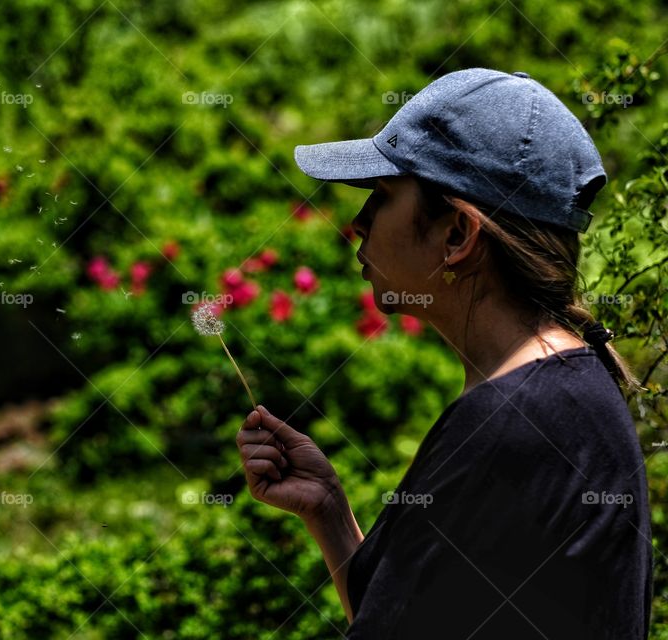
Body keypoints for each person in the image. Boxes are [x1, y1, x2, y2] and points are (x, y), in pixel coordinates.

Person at [236, 68, 653, 639]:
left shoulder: (515, 423)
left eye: (382, 196)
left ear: (457, 234)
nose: (358, 222)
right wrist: (329, 510)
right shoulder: (557, 391)